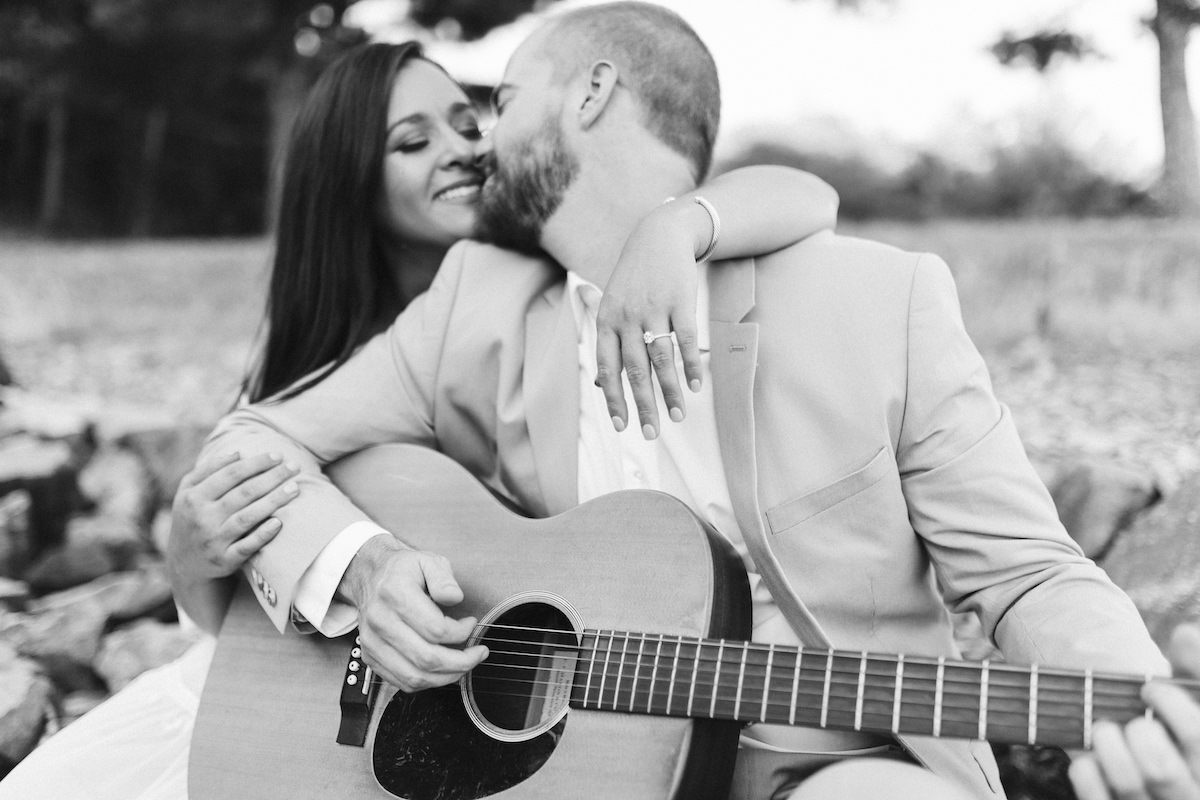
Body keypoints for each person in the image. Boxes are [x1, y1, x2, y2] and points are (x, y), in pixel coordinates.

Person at [182, 5, 1200, 800]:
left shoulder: (874, 298)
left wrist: (1136, 694)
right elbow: (257, 441)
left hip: (828, 762)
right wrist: (367, 572)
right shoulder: (475, 306)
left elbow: (1025, 571)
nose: (483, 142)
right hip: (580, 771)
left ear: (590, 93)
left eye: (508, 98)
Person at [0, 40, 838, 800]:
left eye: (469, 122)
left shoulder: (547, 275)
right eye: (413, 142)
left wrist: (675, 226)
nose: (465, 151)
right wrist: (197, 557)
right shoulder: (349, 358)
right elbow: (243, 605)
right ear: (351, 183)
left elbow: (801, 191)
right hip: (290, 711)